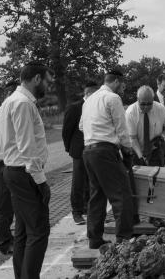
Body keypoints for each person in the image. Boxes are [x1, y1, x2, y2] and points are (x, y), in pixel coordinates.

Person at [0, 62, 53, 279]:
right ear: (37, 79)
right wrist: (41, 181)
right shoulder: (22, 103)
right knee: (39, 231)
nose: (48, 87)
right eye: (48, 82)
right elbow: (26, 145)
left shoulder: (12, 101)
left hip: (16, 171)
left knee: (22, 232)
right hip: (25, 173)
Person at [79, 69, 136, 249]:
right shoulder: (112, 98)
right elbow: (122, 127)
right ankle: (124, 240)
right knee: (122, 195)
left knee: (97, 196)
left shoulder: (89, 100)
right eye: (124, 84)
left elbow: (82, 126)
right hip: (104, 151)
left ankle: (94, 239)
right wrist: (127, 149)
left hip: (88, 151)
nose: (124, 88)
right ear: (117, 81)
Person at [62, 81, 99, 225]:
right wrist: (69, 148)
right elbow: (67, 131)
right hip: (78, 150)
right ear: (88, 93)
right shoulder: (74, 108)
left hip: (92, 149)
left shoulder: (96, 107)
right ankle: (76, 211)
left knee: (91, 181)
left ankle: (88, 208)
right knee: (78, 182)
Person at [0, 81, 18, 255]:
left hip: (9, 162)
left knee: (14, 203)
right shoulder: (0, 114)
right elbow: (0, 145)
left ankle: (13, 237)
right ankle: (5, 243)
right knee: (4, 205)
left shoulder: (10, 112)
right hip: (1, 164)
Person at [125, 85, 165, 166]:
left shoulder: (160, 109)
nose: (146, 107)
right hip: (136, 150)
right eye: (143, 104)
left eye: (149, 104)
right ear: (138, 100)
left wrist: (163, 135)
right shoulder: (130, 112)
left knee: (156, 175)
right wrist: (140, 157)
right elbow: (132, 138)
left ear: (153, 99)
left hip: (155, 150)